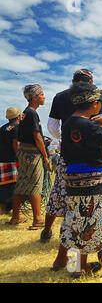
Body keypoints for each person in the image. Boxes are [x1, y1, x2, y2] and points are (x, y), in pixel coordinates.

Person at [59, 82, 102, 278]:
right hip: (95, 182)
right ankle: (81, 267)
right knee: (93, 224)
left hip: (73, 181)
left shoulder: (68, 123)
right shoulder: (90, 125)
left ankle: (75, 267)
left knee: (75, 223)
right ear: (95, 104)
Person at [42, 69, 102, 245]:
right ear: (91, 80)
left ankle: (48, 229)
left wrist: (67, 136)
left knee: (58, 193)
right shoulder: (95, 95)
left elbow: (51, 127)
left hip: (68, 155)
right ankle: (83, 243)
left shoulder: (59, 96)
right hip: (93, 158)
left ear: (73, 80)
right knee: (89, 203)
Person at [9, 85, 48, 229]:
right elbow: (37, 136)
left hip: (23, 152)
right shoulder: (32, 113)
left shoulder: (24, 114)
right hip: (32, 153)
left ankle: (15, 217)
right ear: (35, 97)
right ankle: (38, 219)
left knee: (21, 184)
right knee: (35, 185)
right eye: (42, 94)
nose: (44, 97)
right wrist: (45, 156)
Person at [0, 107, 21, 215]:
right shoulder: (16, 127)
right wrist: (20, 158)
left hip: (2, 159)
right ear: (18, 116)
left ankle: (3, 209)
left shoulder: (2, 128)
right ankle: (12, 210)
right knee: (13, 186)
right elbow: (16, 144)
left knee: (3, 185)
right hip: (12, 159)